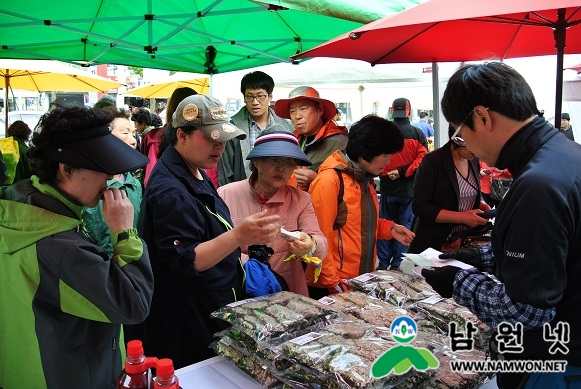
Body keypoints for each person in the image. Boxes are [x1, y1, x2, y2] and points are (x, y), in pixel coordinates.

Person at [422, 62, 581, 388]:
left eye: (459, 130)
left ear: (482, 117)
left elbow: (528, 311)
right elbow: (555, 251)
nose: (463, 141)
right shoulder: (566, 153)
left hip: (556, 358)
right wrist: (483, 258)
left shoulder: (539, 183)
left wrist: (458, 283)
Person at [0, 105, 152, 388]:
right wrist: (124, 232)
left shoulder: (18, 209)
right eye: (102, 167)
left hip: (24, 367)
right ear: (65, 168)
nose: (110, 177)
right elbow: (133, 304)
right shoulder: (62, 248)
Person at [129, 94, 281, 369]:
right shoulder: (170, 191)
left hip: (208, 303)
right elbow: (188, 260)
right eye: (211, 138)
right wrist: (237, 236)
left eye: (224, 139)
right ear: (182, 136)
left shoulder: (192, 168)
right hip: (187, 317)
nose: (220, 148)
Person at [306, 114, 416, 299]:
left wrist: (389, 229)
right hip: (333, 286)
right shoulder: (329, 181)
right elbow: (319, 238)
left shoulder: (364, 178)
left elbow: (356, 223)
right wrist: (334, 284)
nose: (388, 162)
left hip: (357, 280)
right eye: (385, 155)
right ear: (366, 152)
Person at [218, 126, 328, 296]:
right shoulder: (225, 194)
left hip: (287, 292)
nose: (281, 168)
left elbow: (321, 244)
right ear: (256, 161)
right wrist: (251, 265)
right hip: (238, 288)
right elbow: (214, 244)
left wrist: (310, 244)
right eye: (273, 160)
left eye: (289, 162)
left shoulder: (301, 200)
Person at [408, 123, 490, 254]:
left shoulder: (473, 160)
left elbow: (463, 194)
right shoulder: (433, 161)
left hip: (463, 240)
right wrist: (462, 217)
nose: (476, 151)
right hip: (435, 242)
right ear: (458, 140)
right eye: (473, 145)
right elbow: (420, 206)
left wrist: (481, 204)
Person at [83, 108, 142, 257]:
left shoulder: (135, 183)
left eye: (134, 135)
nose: (133, 140)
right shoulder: (89, 184)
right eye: (125, 132)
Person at [377, 98, 428, 271]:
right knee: (404, 228)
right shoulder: (417, 133)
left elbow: (375, 158)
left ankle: (383, 264)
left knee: (385, 225)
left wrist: (386, 172)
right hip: (407, 190)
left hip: (387, 189)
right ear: (409, 110)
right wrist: (403, 171)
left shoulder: (382, 133)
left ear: (392, 111)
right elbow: (422, 159)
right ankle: (397, 264)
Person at [219, 71, 293, 186]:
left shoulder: (287, 127)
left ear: (270, 96)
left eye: (260, 96)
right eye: (249, 97)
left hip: (279, 192)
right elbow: (225, 171)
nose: (255, 102)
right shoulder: (233, 129)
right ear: (244, 98)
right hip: (243, 193)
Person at [274, 86, 349, 191]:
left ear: (320, 110)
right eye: (292, 111)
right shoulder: (291, 142)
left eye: (303, 109)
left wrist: (317, 179)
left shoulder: (340, 143)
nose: (297, 116)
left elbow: (353, 186)